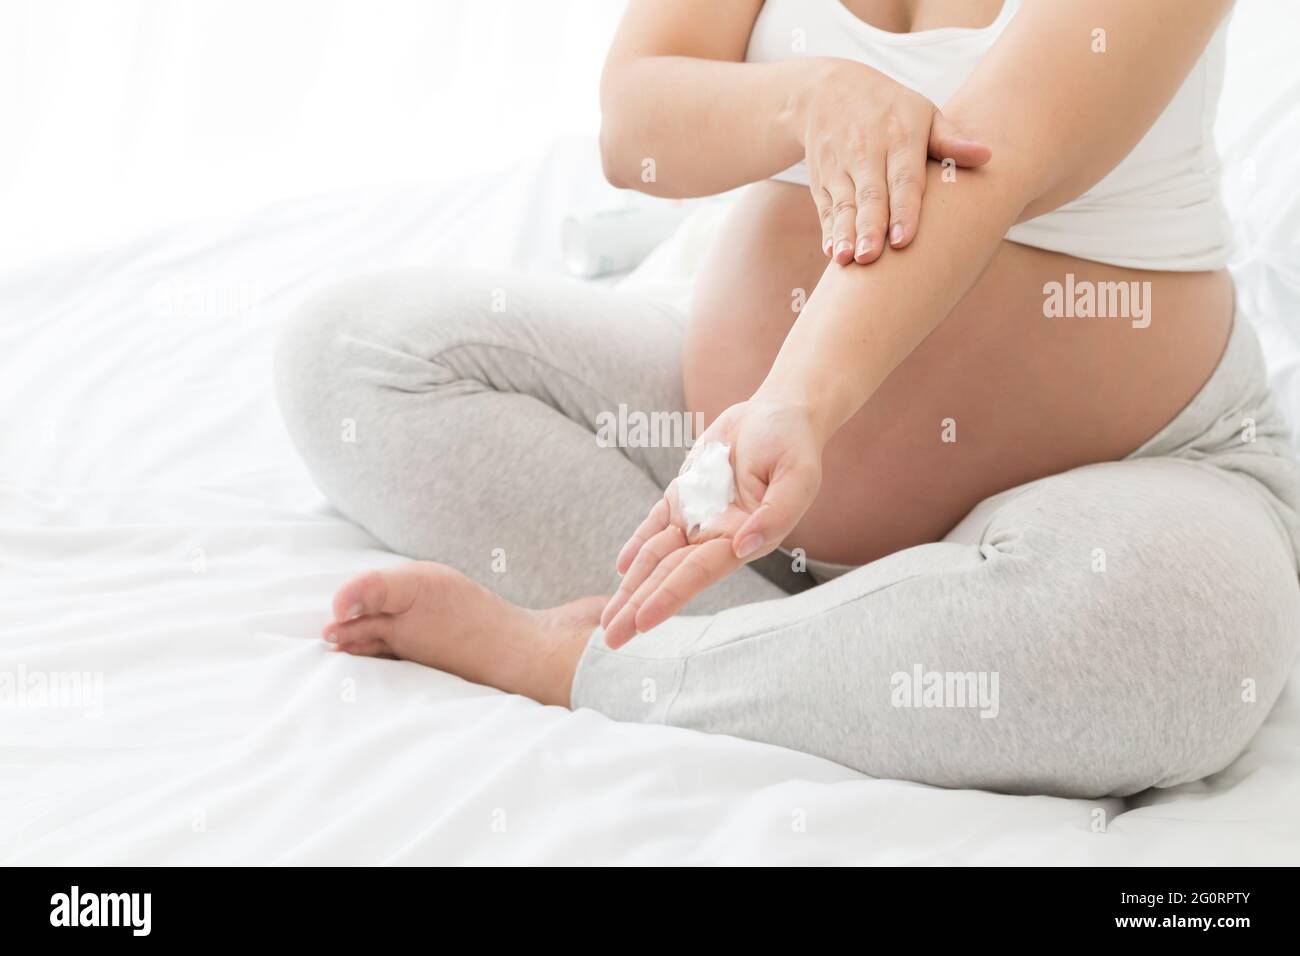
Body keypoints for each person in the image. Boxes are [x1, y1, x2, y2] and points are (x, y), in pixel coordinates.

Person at [274, 0, 1300, 797]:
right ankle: (813, 653)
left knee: (1191, 643)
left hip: (1126, 474)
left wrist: (800, 401)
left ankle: (596, 661)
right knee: (356, 357)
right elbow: (633, 128)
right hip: (730, 469)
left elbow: (987, 168)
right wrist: (809, 101)